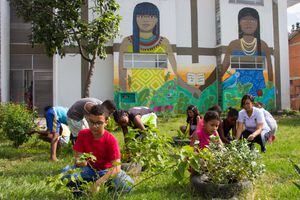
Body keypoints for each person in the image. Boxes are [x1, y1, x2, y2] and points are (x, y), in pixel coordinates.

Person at [118, 2, 201, 97]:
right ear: (135, 18)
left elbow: (175, 75)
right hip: (137, 96)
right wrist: (125, 97)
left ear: (157, 19)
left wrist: (190, 89)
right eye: (141, 16)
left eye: (151, 16)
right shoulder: (127, 42)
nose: (146, 20)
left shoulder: (164, 43)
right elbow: (122, 76)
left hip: (160, 97)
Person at [61, 105, 133, 194]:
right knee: (65, 174)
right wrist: (80, 162)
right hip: (88, 169)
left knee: (127, 185)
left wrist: (98, 184)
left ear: (106, 122)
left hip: (106, 171)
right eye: (91, 122)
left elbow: (116, 167)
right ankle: (81, 191)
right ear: (87, 119)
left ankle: (108, 187)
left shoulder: (111, 140)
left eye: (99, 123)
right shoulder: (83, 134)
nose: (94, 126)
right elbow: (78, 158)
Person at [221, 7, 273, 97]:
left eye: (252, 20)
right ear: (239, 23)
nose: (248, 23)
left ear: (257, 23)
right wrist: (203, 86)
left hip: (259, 91)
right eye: (244, 19)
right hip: (239, 91)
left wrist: (270, 92)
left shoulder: (263, 45)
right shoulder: (234, 45)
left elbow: (270, 73)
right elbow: (221, 70)